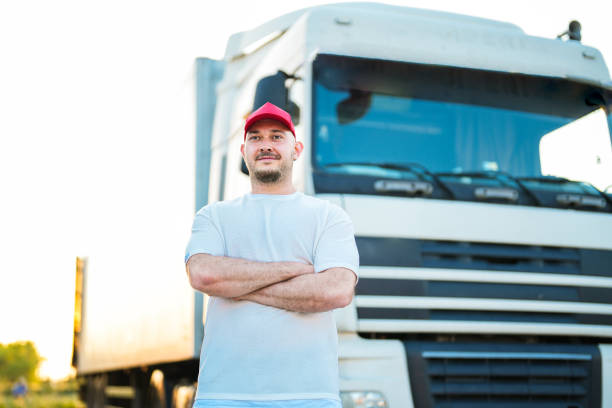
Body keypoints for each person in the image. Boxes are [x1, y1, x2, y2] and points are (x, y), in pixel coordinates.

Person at [184, 102, 359, 408]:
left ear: (297, 149)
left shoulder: (329, 216)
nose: (266, 145)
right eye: (256, 138)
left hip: (310, 397)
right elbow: (203, 274)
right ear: (244, 151)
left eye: (277, 136)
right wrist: (294, 270)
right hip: (224, 396)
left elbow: (335, 290)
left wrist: (236, 285)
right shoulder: (214, 216)